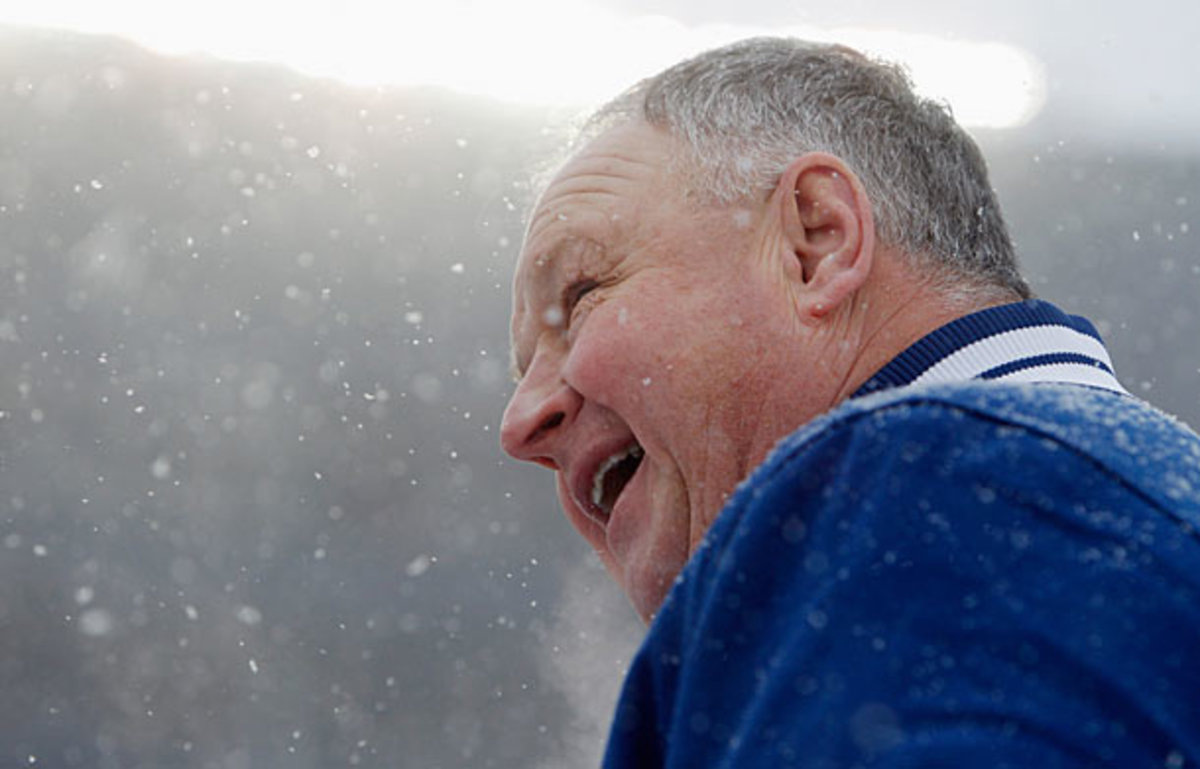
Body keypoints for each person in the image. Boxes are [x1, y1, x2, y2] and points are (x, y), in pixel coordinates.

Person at [500, 37, 1200, 767]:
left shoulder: (920, 490)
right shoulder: (1101, 503)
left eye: (581, 295)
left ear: (817, 240)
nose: (519, 423)